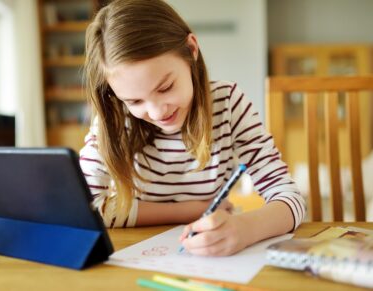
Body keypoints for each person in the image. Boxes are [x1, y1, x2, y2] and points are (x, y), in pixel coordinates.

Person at [79, 0, 306, 256]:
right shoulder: (114, 118)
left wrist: (244, 229)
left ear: (192, 49)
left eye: (165, 88)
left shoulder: (228, 102)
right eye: (134, 101)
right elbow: (88, 208)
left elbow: (290, 198)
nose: (156, 112)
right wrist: (196, 208)